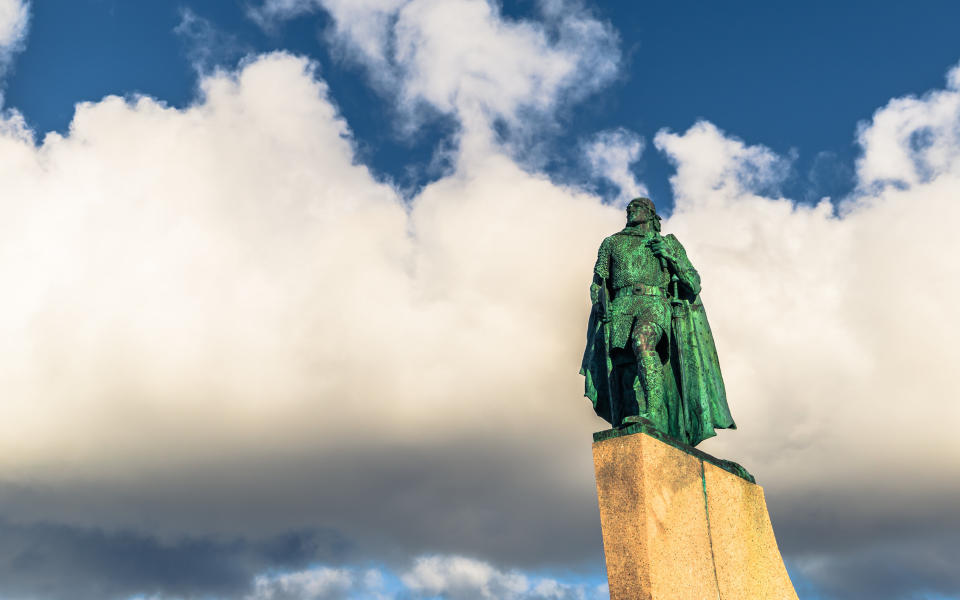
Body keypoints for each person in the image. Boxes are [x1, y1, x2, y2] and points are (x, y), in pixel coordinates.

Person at [580, 197, 736, 447]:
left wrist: (670, 258)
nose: (631, 210)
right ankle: (636, 416)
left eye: (637, 207)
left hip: (654, 303)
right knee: (624, 371)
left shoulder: (667, 243)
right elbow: (598, 282)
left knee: (643, 341)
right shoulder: (612, 242)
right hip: (621, 306)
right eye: (629, 207)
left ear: (652, 214)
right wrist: (599, 304)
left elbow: (693, 283)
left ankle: (652, 413)